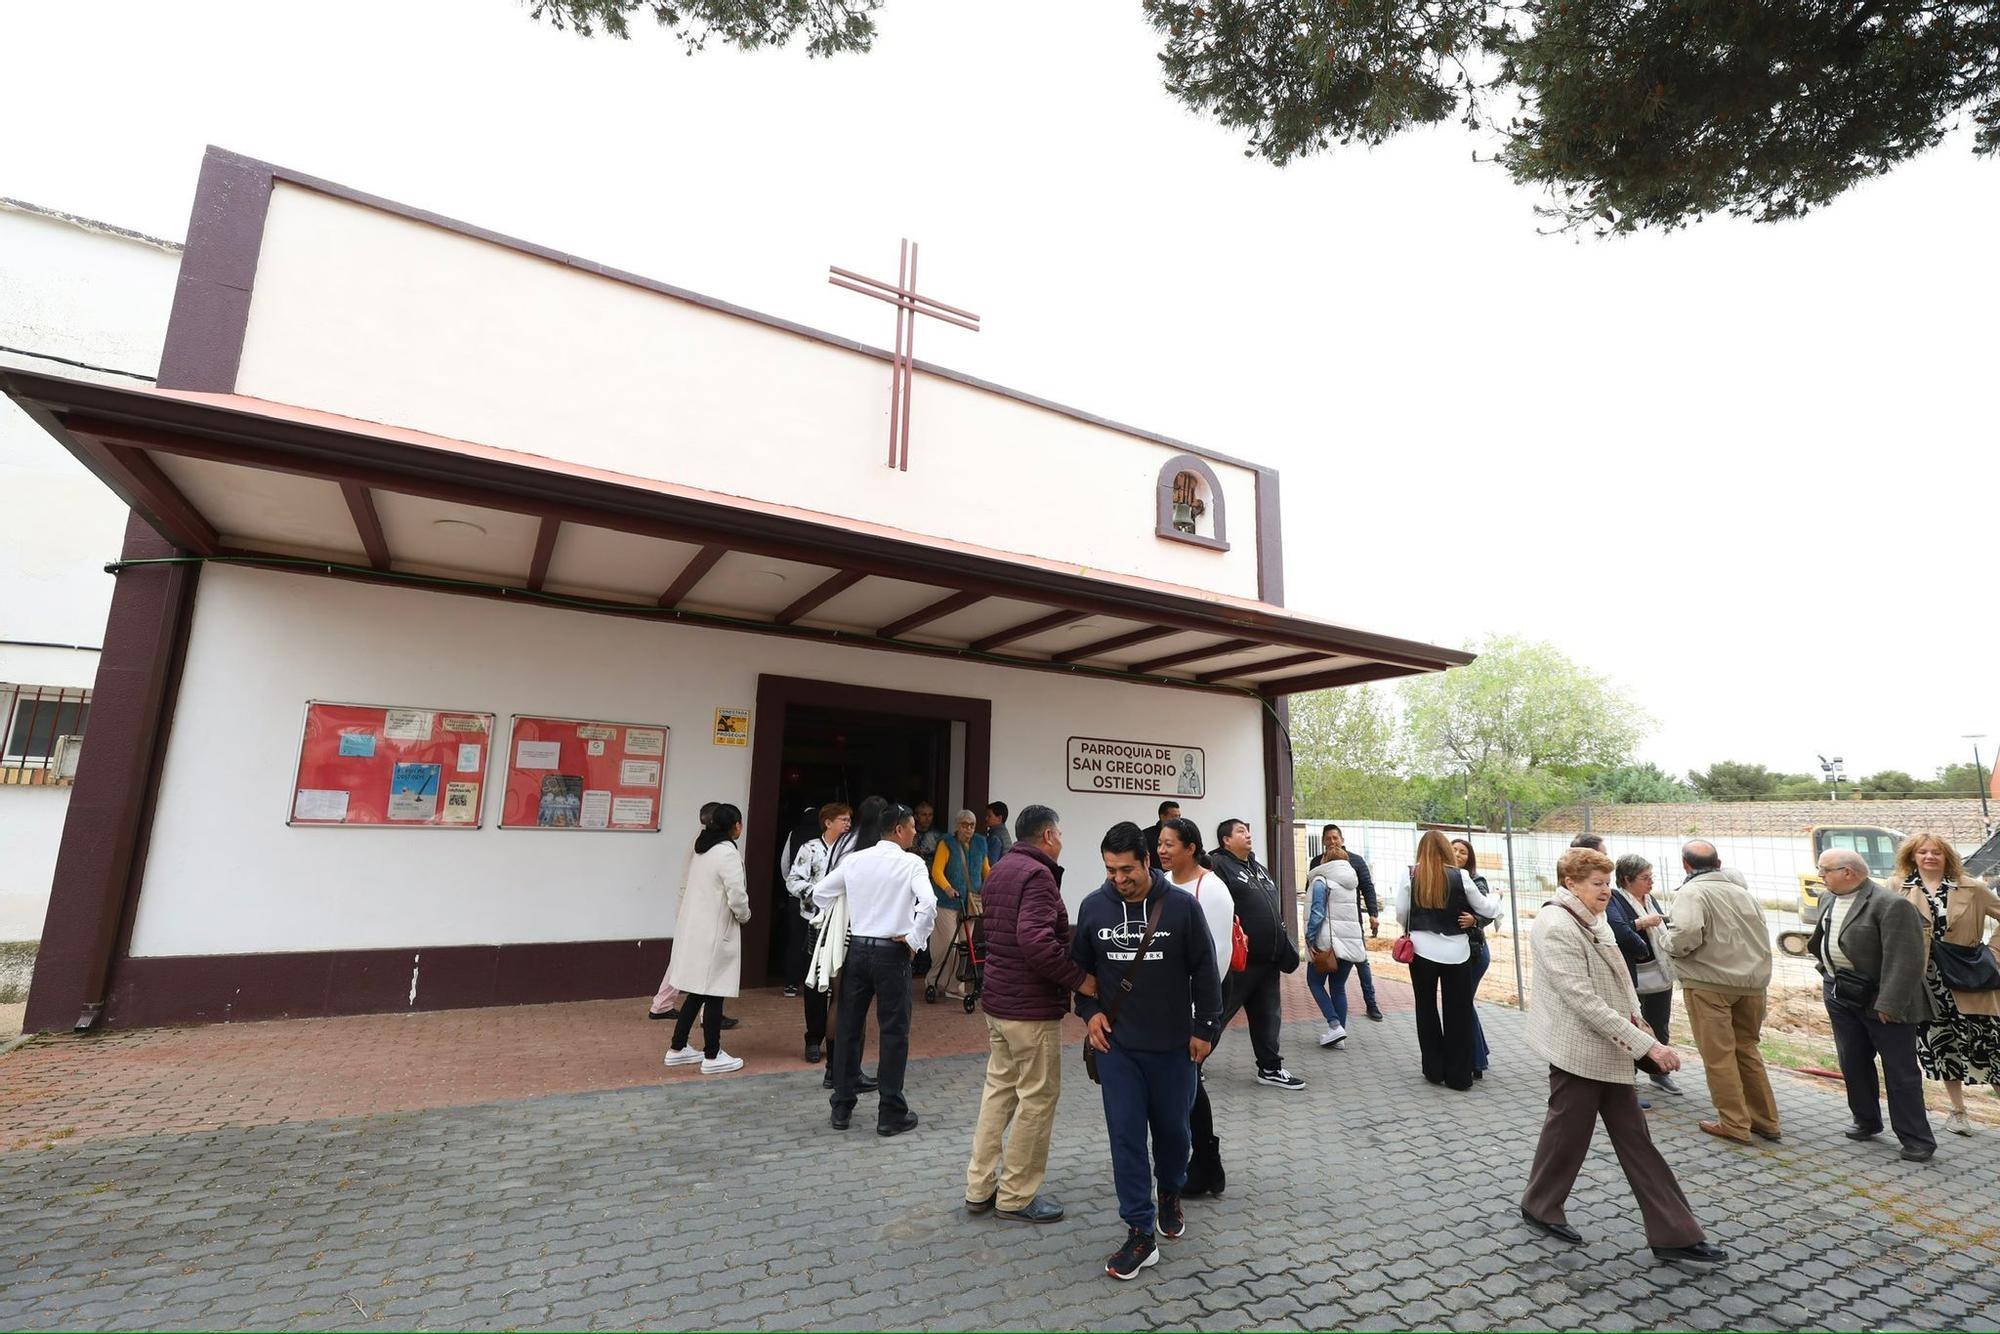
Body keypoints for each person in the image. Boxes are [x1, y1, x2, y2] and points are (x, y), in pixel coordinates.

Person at [1520, 847, 1724, 1267]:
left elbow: (1620, 980)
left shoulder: (1594, 917)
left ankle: (1674, 1233)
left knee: (1631, 1139)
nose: (1605, 891)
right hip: (1578, 1049)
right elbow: (1582, 999)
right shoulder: (1555, 923)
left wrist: (1641, 1026)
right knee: (1568, 1133)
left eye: (1607, 882)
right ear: (1570, 883)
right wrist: (1646, 1045)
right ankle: (1540, 1205)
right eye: (1596, 883)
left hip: (1609, 1046)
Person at [1072, 822, 1223, 1280]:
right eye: (1110, 870)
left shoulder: (1180, 908)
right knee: (1126, 1137)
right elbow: (1081, 974)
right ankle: (1139, 1231)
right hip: (1118, 1048)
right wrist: (1089, 1012)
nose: (1118, 879)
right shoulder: (1094, 908)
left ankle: (1171, 1191)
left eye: (1126, 869)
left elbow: (1205, 969)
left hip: (1175, 1048)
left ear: (1148, 862)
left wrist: (1205, 1029)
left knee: (1175, 1135)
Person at [965, 804, 1097, 1224]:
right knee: (1037, 1099)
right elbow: (1037, 941)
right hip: (1030, 1010)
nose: (1061, 841)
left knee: (999, 1093)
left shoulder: (1002, 869)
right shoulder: (1038, 875)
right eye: (1059, 833)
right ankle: (1016, 1195)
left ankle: (979, 1186)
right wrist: (1080, 980)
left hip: (1000, 1003)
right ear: (1047, 836)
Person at [813, 801, 936, 1136]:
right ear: (899, 829)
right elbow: (929, 903)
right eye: (911, 827)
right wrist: (914, 939)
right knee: (894, 1032)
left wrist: (838, 918)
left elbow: (820, 892)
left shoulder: (855, 860)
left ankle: (841, 1106)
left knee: (850, 1028)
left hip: (859, 951)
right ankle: (890, 1111)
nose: (914, 832)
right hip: (892, 952)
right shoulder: (911, 863)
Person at [1812, 847, 1936, 1161]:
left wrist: (1890, 1003)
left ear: (1848, 872)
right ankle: (1866, 1120)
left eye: (1824, 870)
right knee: (1852, 1060)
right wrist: (1827, 970)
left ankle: (1916, 1138)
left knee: (1899, 1070)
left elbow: (1906, 960)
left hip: (1883, 999)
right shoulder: (1828, 898)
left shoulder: (1890, 905)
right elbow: (1822, 938)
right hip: (1841, 993)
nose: (1820, 876)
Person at [1661, 840, 1780, 1146]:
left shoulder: (1692, 892)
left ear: (1686, 865)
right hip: (1752, 986)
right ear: (1719, 863)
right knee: (1748, 1050)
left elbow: (1685, 933)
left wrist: (1666, 944)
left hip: (1710, 985)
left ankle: (1734, 1123)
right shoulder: (1743, 893)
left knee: (1719, 1057)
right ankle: (1766, 1120)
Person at [1894, 832, 2000, 1137]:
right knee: (1942, 1048)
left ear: (1947, 857)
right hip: (1925, 983)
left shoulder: (1973, 887)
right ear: (1912, 856)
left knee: (1989, 1045)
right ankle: (1958, 1112)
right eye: (1923, 852)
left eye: (1936, 852)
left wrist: (1994, 952)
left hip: (1969, 978)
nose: (1929, 857)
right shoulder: (1897, 889)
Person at [1156, 817, 1232, 1196]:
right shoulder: (1164, 885)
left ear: (1191, 847)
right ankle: (1204, 1164)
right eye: (1160, 843)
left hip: (1193, 1011)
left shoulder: (1212, 890)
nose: (1162, 850)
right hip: (1165, 1007)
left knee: (1188, 1085)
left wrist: (1199, 1015)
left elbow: (1216, 958)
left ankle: (1205, 1164)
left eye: (1170, 844)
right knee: (1187, 1085)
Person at [1395, 830, 1504, 1091]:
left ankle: (1434, 1069)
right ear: (1446, 849)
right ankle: (1459, 1076)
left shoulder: (1411, 874)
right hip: (1456, 951)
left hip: (1421, 950)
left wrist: (1412, 928)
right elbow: (1486, 908)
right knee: (1459, 1012)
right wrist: (1498, 897)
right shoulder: (1461, 876)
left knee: (1426, 1009)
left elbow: (1401, 912)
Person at [1209, 818, 1305, 1090]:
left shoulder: (1258, 868)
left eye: (1248, 830)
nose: (1248, 834)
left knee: (1268, 1016)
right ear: (1226, 840)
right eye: (1241, 831)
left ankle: (1270, 1068)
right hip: (1240, 961)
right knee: (1218, 1013)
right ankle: (1191, 1063)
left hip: (1268, 960)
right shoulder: (1217, 866)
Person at [663, 803, 751, 1075]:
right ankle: (712, 1055)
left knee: (698, 991)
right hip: (716, 930)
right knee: (714, 993)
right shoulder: (727, 854)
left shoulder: (702, 849)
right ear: (734, 826)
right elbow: (736, 895)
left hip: (696, 929)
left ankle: (677, 1048)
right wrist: (745, 915)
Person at [648, 800, 738, 1032]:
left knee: (685, 959)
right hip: (699, 909)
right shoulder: (709, 845)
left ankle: (663, 1003)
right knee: (704, 963)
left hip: (692, 907)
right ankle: (703, 1015)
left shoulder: (704, 842)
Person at [1606, 855, 1682, 1099]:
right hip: (1635, 974)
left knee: (1659, 1022)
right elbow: (1619, 930)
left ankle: (1660, 1073)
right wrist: (1641, 924)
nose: (1650, 883)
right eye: (1645, 878)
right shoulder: (1615, 900)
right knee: (1633, 1025)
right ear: (1627, 879)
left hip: (1660, 973)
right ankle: (1628, 1075)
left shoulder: (1650, 899)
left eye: (1652, 877)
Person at [786, 801, 851, 1062]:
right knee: (815, 983)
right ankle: (813, 1038)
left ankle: (836, 1039)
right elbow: (793, 880)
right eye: (843, 820)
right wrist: (815, 894)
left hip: (843, 922)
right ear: (828, 822)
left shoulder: (852, 852)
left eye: (849, 820)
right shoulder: (809, 848)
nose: (848, 824)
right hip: (815, 922)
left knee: (840, 981)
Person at [1311, 825, 1383, 1021]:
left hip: (1352, 924)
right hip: (1327, 928)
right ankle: (1338, 1024)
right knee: (1336, 979)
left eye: (1335, 838)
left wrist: (1373, 914)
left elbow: (1368, 888)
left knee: (1362, 963)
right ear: (1323, 841)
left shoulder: (1356, 861)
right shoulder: (1317, 862)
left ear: (1342, 839)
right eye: (1328, 838)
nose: (1332, 842)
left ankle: (1371, 1003)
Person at [1304, 849, 1365, 1049]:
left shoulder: (1321, 880)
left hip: (1327, 944)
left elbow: (1318, 912)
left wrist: (1310, 938)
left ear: (1325, 860)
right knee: (1338, 987)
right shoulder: (1350, 882)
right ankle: (1339, 1037)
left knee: (1314, 981)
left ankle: (1335, 1024)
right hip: (1349, 944)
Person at [930, 809, 991, 999]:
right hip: (947, 902)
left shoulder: (981, 843)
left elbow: (986, 870)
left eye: (972, 825)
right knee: (947, 943)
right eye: (965, 825)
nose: (969, 829)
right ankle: (935, 982)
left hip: (970, 903)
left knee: (965, 945)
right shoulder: (946, 842)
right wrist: (948, 888)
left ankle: (956, 986)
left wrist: (991, 887)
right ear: (957, 825)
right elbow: (936, 871)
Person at [1450, 838, 1496, 1079]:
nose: (1457, 854)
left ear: (1469, 858)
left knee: (1463, 1003)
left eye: (1463, 852)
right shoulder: (1444, 878)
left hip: (1475, 951)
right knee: (1463, 1003)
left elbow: (1489, 910)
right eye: (1454, 850)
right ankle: (1480, 1053)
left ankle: (1476, 1061)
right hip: (1456, 952)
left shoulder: (1476, 881)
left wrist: (1475, 921)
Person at [1143, 800, 1181, 870]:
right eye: (1174, 816)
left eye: (1179, 816)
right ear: (1162, 817)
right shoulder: (1146, 836)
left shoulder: (1182, 835)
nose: (1178, 820)